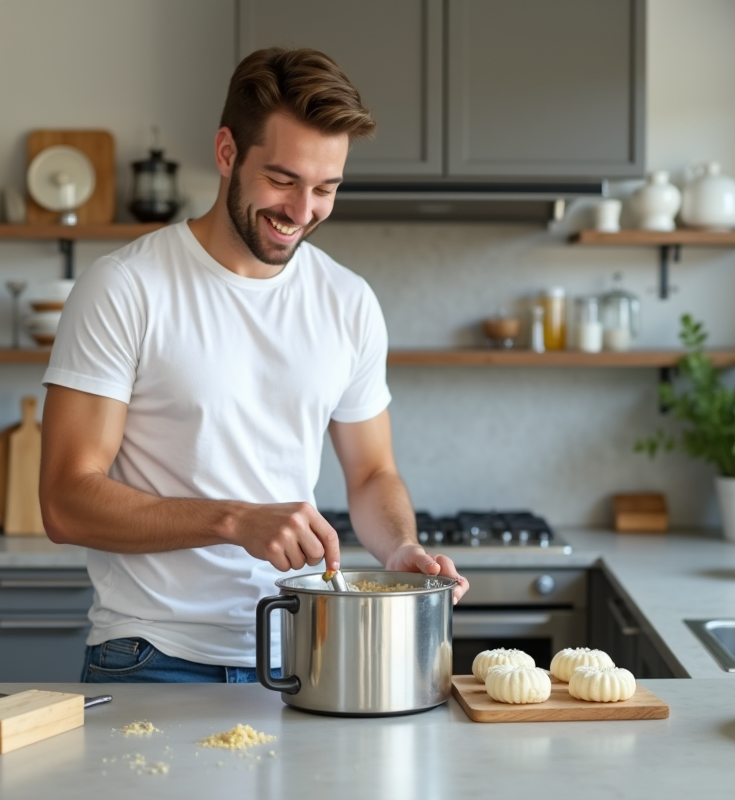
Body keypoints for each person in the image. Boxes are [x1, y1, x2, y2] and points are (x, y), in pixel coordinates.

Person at [39, 47, 468, 684]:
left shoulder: (347, 302)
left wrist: (399, 547)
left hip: (302, 655)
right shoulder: (126, 287)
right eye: (283, 180)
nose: (302, 212)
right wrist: (235, 519)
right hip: (154, 655)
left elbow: (373, 472)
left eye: (326, 188)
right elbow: (65, 502)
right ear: (226, 153)